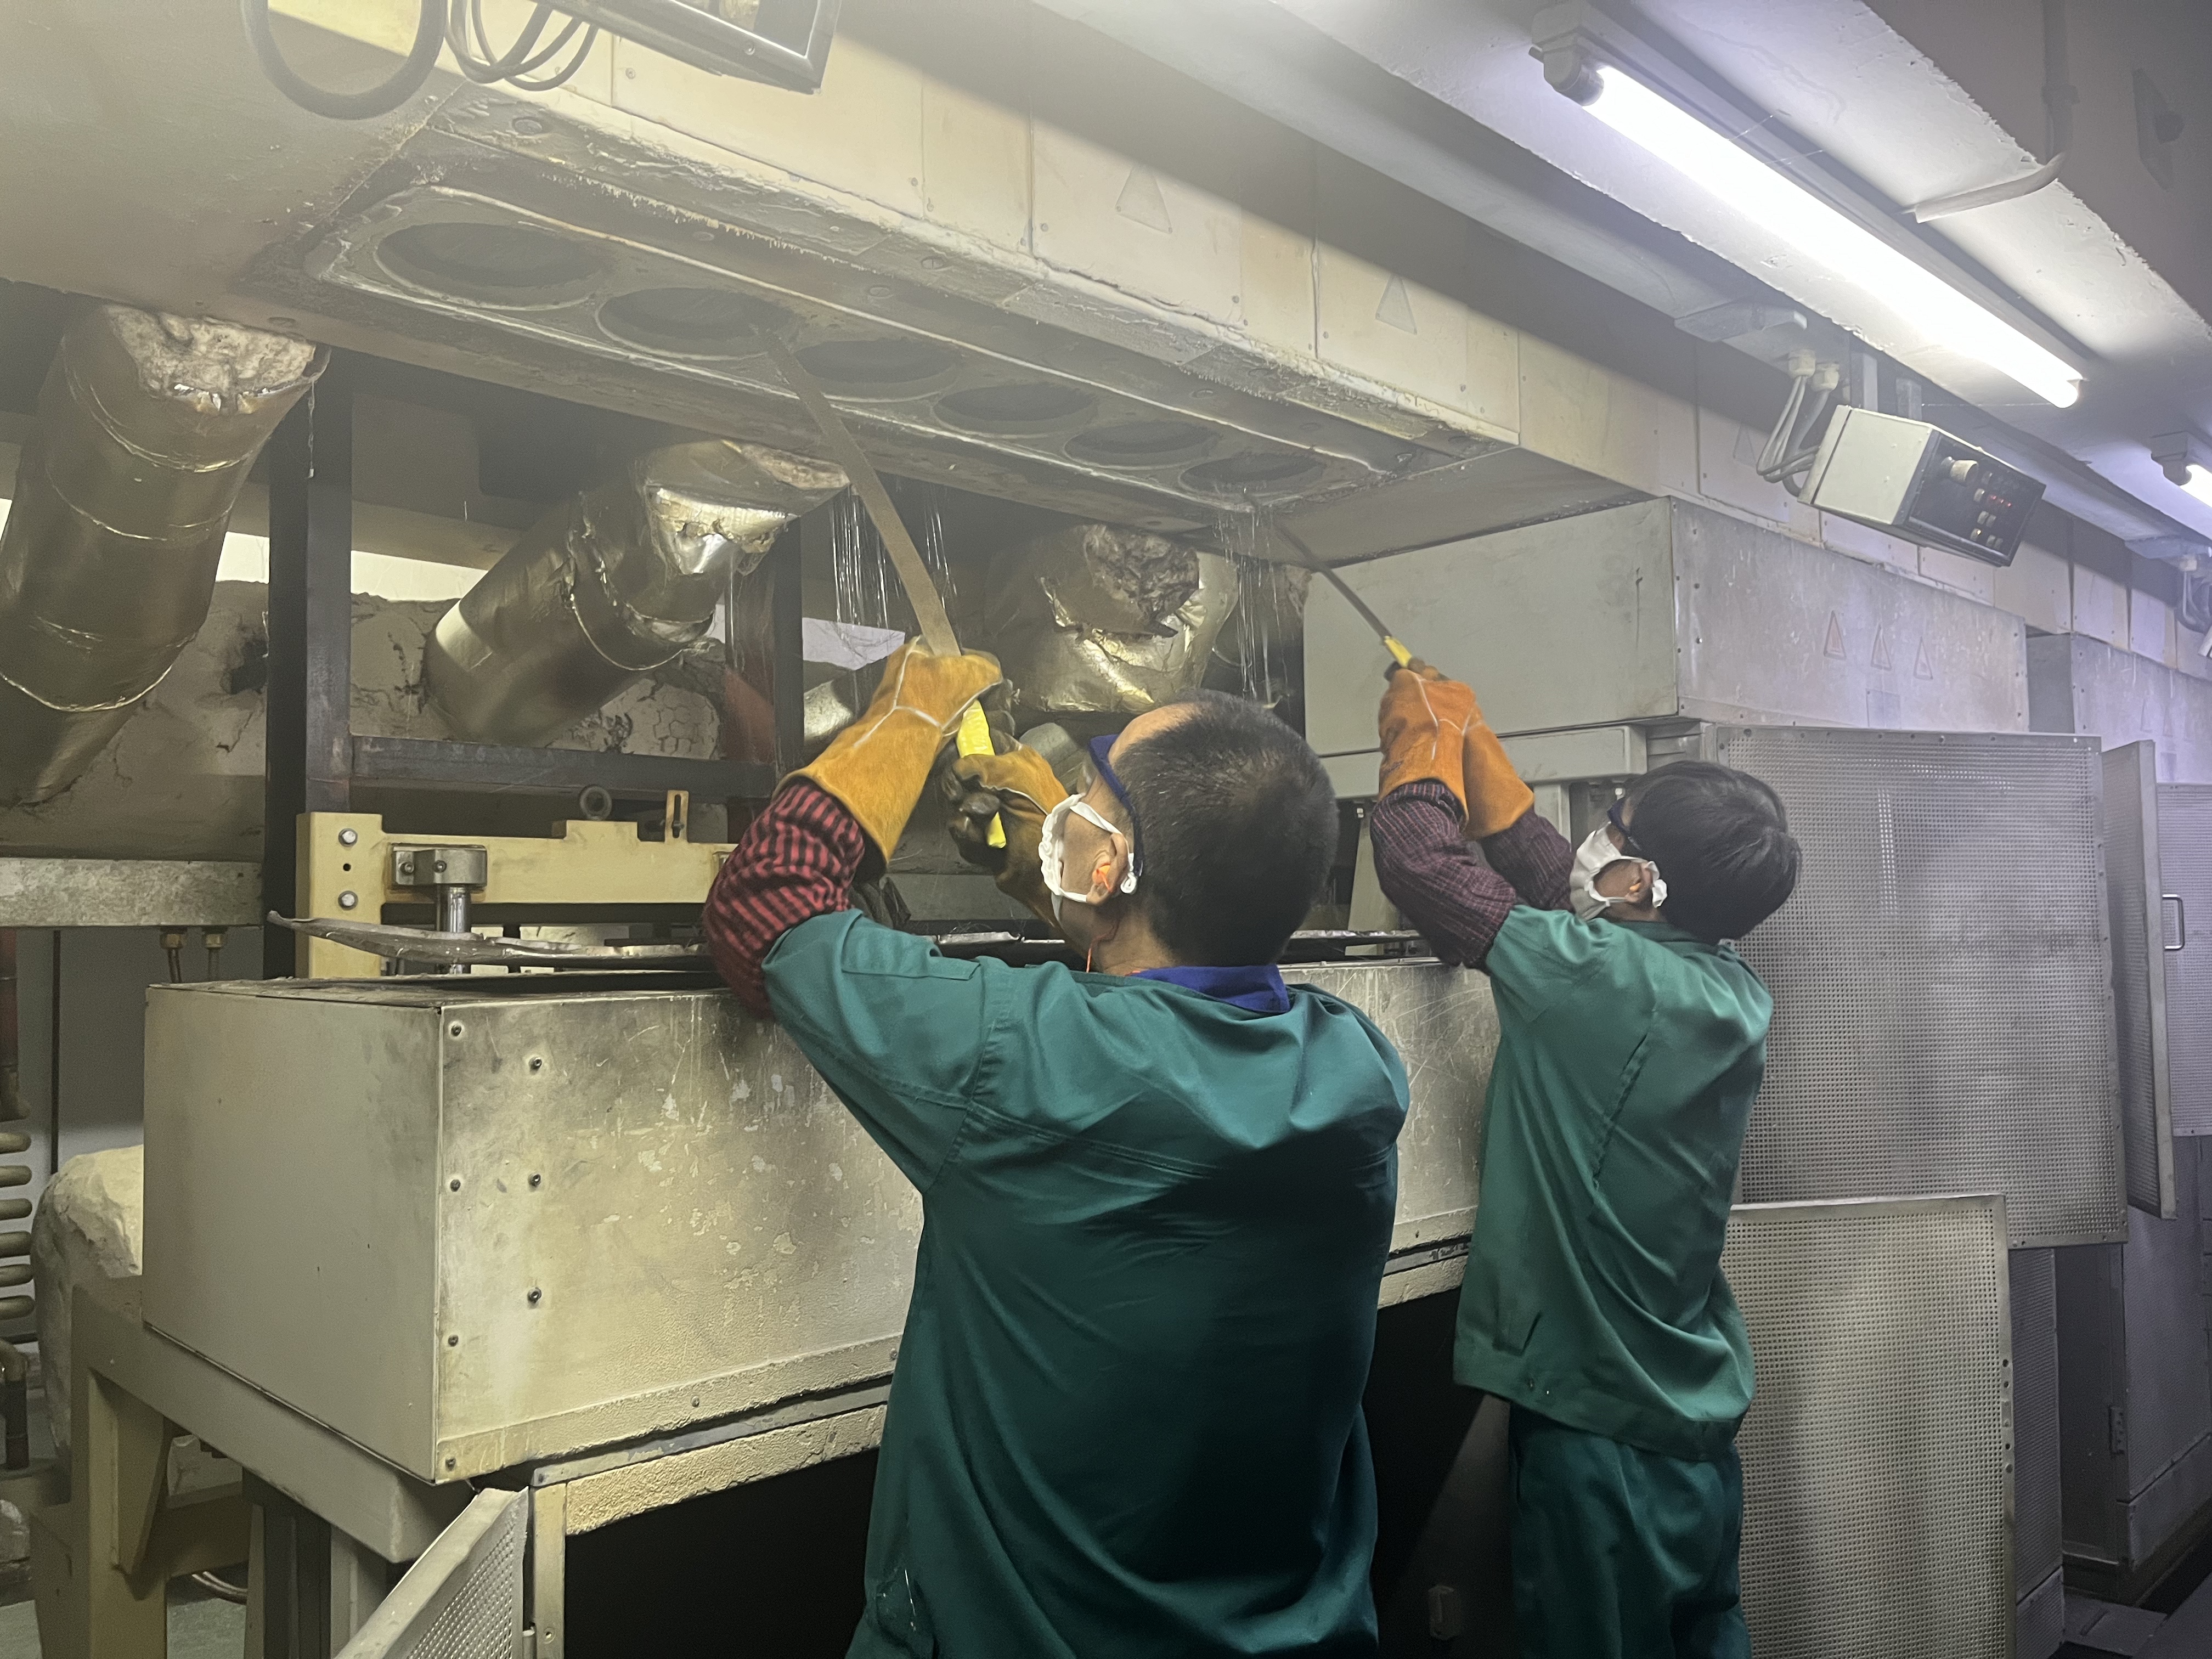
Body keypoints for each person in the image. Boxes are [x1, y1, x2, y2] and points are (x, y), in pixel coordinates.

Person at [703, 642, 1410, 1659]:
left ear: (1115, 864)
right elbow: (1178, 988)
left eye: (1088, 797)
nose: (1067, 805)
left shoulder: (1014, 1054)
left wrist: (907, 716)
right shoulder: (1357, 1068)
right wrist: (1076, 891)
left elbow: (765, 904)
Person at [1365, 662, 1800, 1659]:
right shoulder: (1721, 983)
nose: (1597, 837)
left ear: (1640, 881)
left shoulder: (1600, 981)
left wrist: (1419, 745)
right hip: (1686, 1431)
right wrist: (1481, 759)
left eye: (1616, 825)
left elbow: (1421, 866)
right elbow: (1564, 887)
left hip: (1602, 1443)